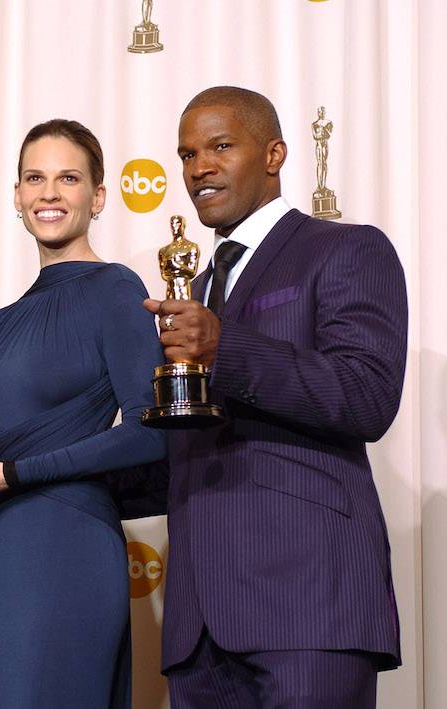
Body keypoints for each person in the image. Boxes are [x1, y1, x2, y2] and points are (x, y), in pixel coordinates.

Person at [144, 86, 405, 708]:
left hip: (308, 605)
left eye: (220, 146)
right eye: (186, 154)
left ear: (275, 154)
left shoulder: (344, 249)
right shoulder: (197, 286)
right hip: (198, 626)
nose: (198, 167)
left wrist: (224, 349)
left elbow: (368, 396)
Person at [0, 119, 167, 708]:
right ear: (16, 195)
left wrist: (13, 475)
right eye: (35, 178)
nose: (50, 193)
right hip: (2, 545)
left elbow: (150, 432)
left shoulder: (116, 290)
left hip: (71, 541)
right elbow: (3, 446)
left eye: (69, 178)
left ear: (98, 196)